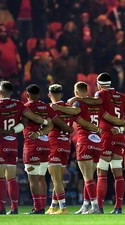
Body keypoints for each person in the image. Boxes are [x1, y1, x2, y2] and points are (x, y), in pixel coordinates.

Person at [54, 81, 123, 214]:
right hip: (98, 142)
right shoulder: (97, 103)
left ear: (76, 92)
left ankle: (95, 206)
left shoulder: (78, 103)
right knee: (90, 177)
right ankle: (85, 205)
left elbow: (73, 110)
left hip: (85, 140)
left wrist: (57, 108)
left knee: (87, 178)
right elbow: (108, 116)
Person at [0, 81, 48, 215]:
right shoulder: (19, 104)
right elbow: (33, 118)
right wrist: (46, 122)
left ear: (0, 92)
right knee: (11, 178)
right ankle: (14, 208)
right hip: (13, 145)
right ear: (11, 92)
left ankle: (0, 208)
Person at [90, 73, 125, 214]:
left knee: (102, 173)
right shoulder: (122, 97)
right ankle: (118, 207)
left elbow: (105, 116)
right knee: (118, 174)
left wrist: (119, 123)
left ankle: (99, 207)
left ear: (99, 84)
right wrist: (123, 125)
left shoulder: (100, 95)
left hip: (107, 136)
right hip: (120, 137)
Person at [22, 84, 60, 214]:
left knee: (32, 178)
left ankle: (37, 207)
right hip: (45, 144)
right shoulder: (46, 106)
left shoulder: (26, 107)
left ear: (27, 95)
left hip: (32, 145)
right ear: (39, 95)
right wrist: (41, 133)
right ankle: (42, 206)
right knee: (41, 177)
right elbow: (51, 125)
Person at [45, 84, 75, 214]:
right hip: (66, 145)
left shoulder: (51, 109)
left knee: (55, 179)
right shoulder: (69, 108)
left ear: (49, 95)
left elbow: (48, 124)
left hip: (54, 143)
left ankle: (63, 208)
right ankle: (53, 206)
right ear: (62, 95)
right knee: (58, 179)